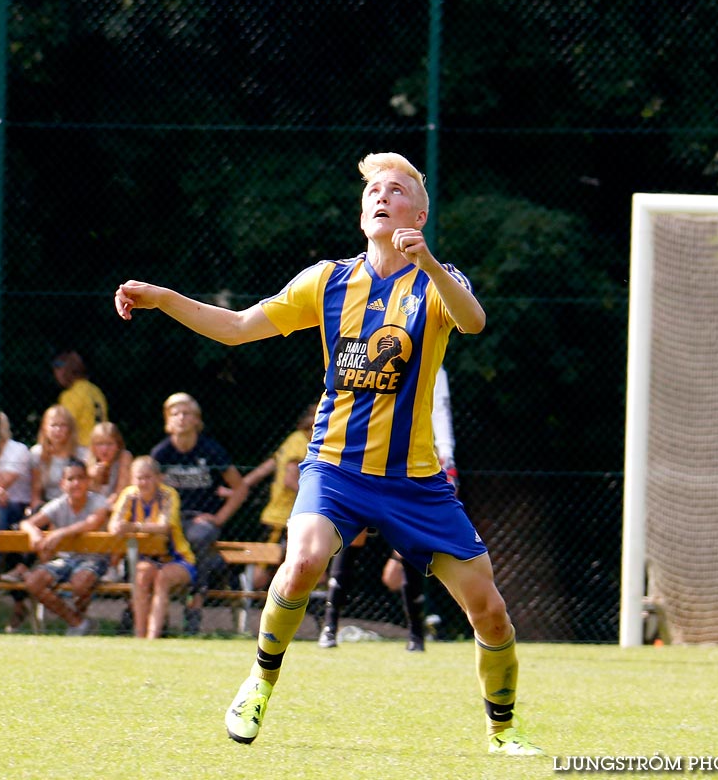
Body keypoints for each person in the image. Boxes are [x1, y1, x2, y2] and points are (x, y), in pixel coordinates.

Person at [114, 151, 541, 756]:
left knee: (490, 610)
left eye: (396, 190)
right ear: (363, 208)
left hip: (414, 480)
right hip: (336, 468)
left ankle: (504, 733)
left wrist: (431, 265)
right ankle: (260, 681)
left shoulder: (440, 281)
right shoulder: (328, 280)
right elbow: (237, 326)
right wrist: (164, 298)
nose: (381, 197)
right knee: (304, 559)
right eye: (373, 190)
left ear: (418, 211)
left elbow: (472, 322)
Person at [318, 366, 456, 652]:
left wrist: (447, 456)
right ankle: (329, 627)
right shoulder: (369, 350)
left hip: (408, 466)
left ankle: (417, 635)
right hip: (363, 459)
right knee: (351, 539)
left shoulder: (431, 358)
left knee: (407, 546)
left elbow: (439, 411)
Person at [149, 392, 249, 634]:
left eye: (187, 413)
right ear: (167, 421)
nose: (181, 418)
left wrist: (219, 518)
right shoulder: (161, 453)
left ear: (197, 420)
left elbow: (240, 488)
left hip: (201, 520)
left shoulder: (211, 450)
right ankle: (141, 613)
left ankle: (195, 604)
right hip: (170, 520)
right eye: (175, 414)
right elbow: (150, 491)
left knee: (199, 536)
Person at [18, 458, 109, 635]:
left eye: (81, 478)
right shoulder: (58, 504)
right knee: (33, 582)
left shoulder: (98, 501)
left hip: (93, 558)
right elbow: (27, 523)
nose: (76, 483)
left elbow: (92, 523)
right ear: (62, 484)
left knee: (80, 583)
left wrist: (61, 533)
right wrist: (33, 532)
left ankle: (78, 623)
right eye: (70, 479)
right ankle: (77, 622)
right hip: (65, 559)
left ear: (88, 482)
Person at [109, 455, 196, 638]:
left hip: (177, 559)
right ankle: (139, 636)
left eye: (147, 477)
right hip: (147, 558)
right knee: (141, 576)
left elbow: (163, 527)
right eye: (139, 478)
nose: (143, 482)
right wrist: (119, 526)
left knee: (162, 578)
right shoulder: (129, 495)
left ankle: (152, 637)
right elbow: (114, 525)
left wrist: (133, 527)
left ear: (158, 478)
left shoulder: (168, 494)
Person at [239, 402, 317, 591]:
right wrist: (318, 498)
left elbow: (269, 466)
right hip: (281, 518)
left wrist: (241, 486)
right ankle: (241, 591)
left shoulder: (295, 439)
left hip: (284, 517)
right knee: (263, 568)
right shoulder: (301, 443)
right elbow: (290, 480)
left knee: (287, 564)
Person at [30, 404, 90, 512]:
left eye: (63, 425)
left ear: (70, 429)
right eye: (53, 425)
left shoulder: (82, 454)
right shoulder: (36, 453)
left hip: (76, 505)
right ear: (44, 427)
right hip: (48, 505)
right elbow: (36, 493)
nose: (58, 430)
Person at [51, 350, 109, 447]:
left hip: (81, 448)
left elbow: (65, 427)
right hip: (101, 446)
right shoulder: (96, 390)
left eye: (57, 370)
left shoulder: (70, 395)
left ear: (65, 370)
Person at [87, 421, 133, 506]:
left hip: (117, 506)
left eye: (109, 444)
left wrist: (105, 507)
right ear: (92, 446)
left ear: (118, 445)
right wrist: (91, 476)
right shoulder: (87, 460)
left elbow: (121, 491)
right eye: (99, 444)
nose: (104, 449)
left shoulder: (124, 457)